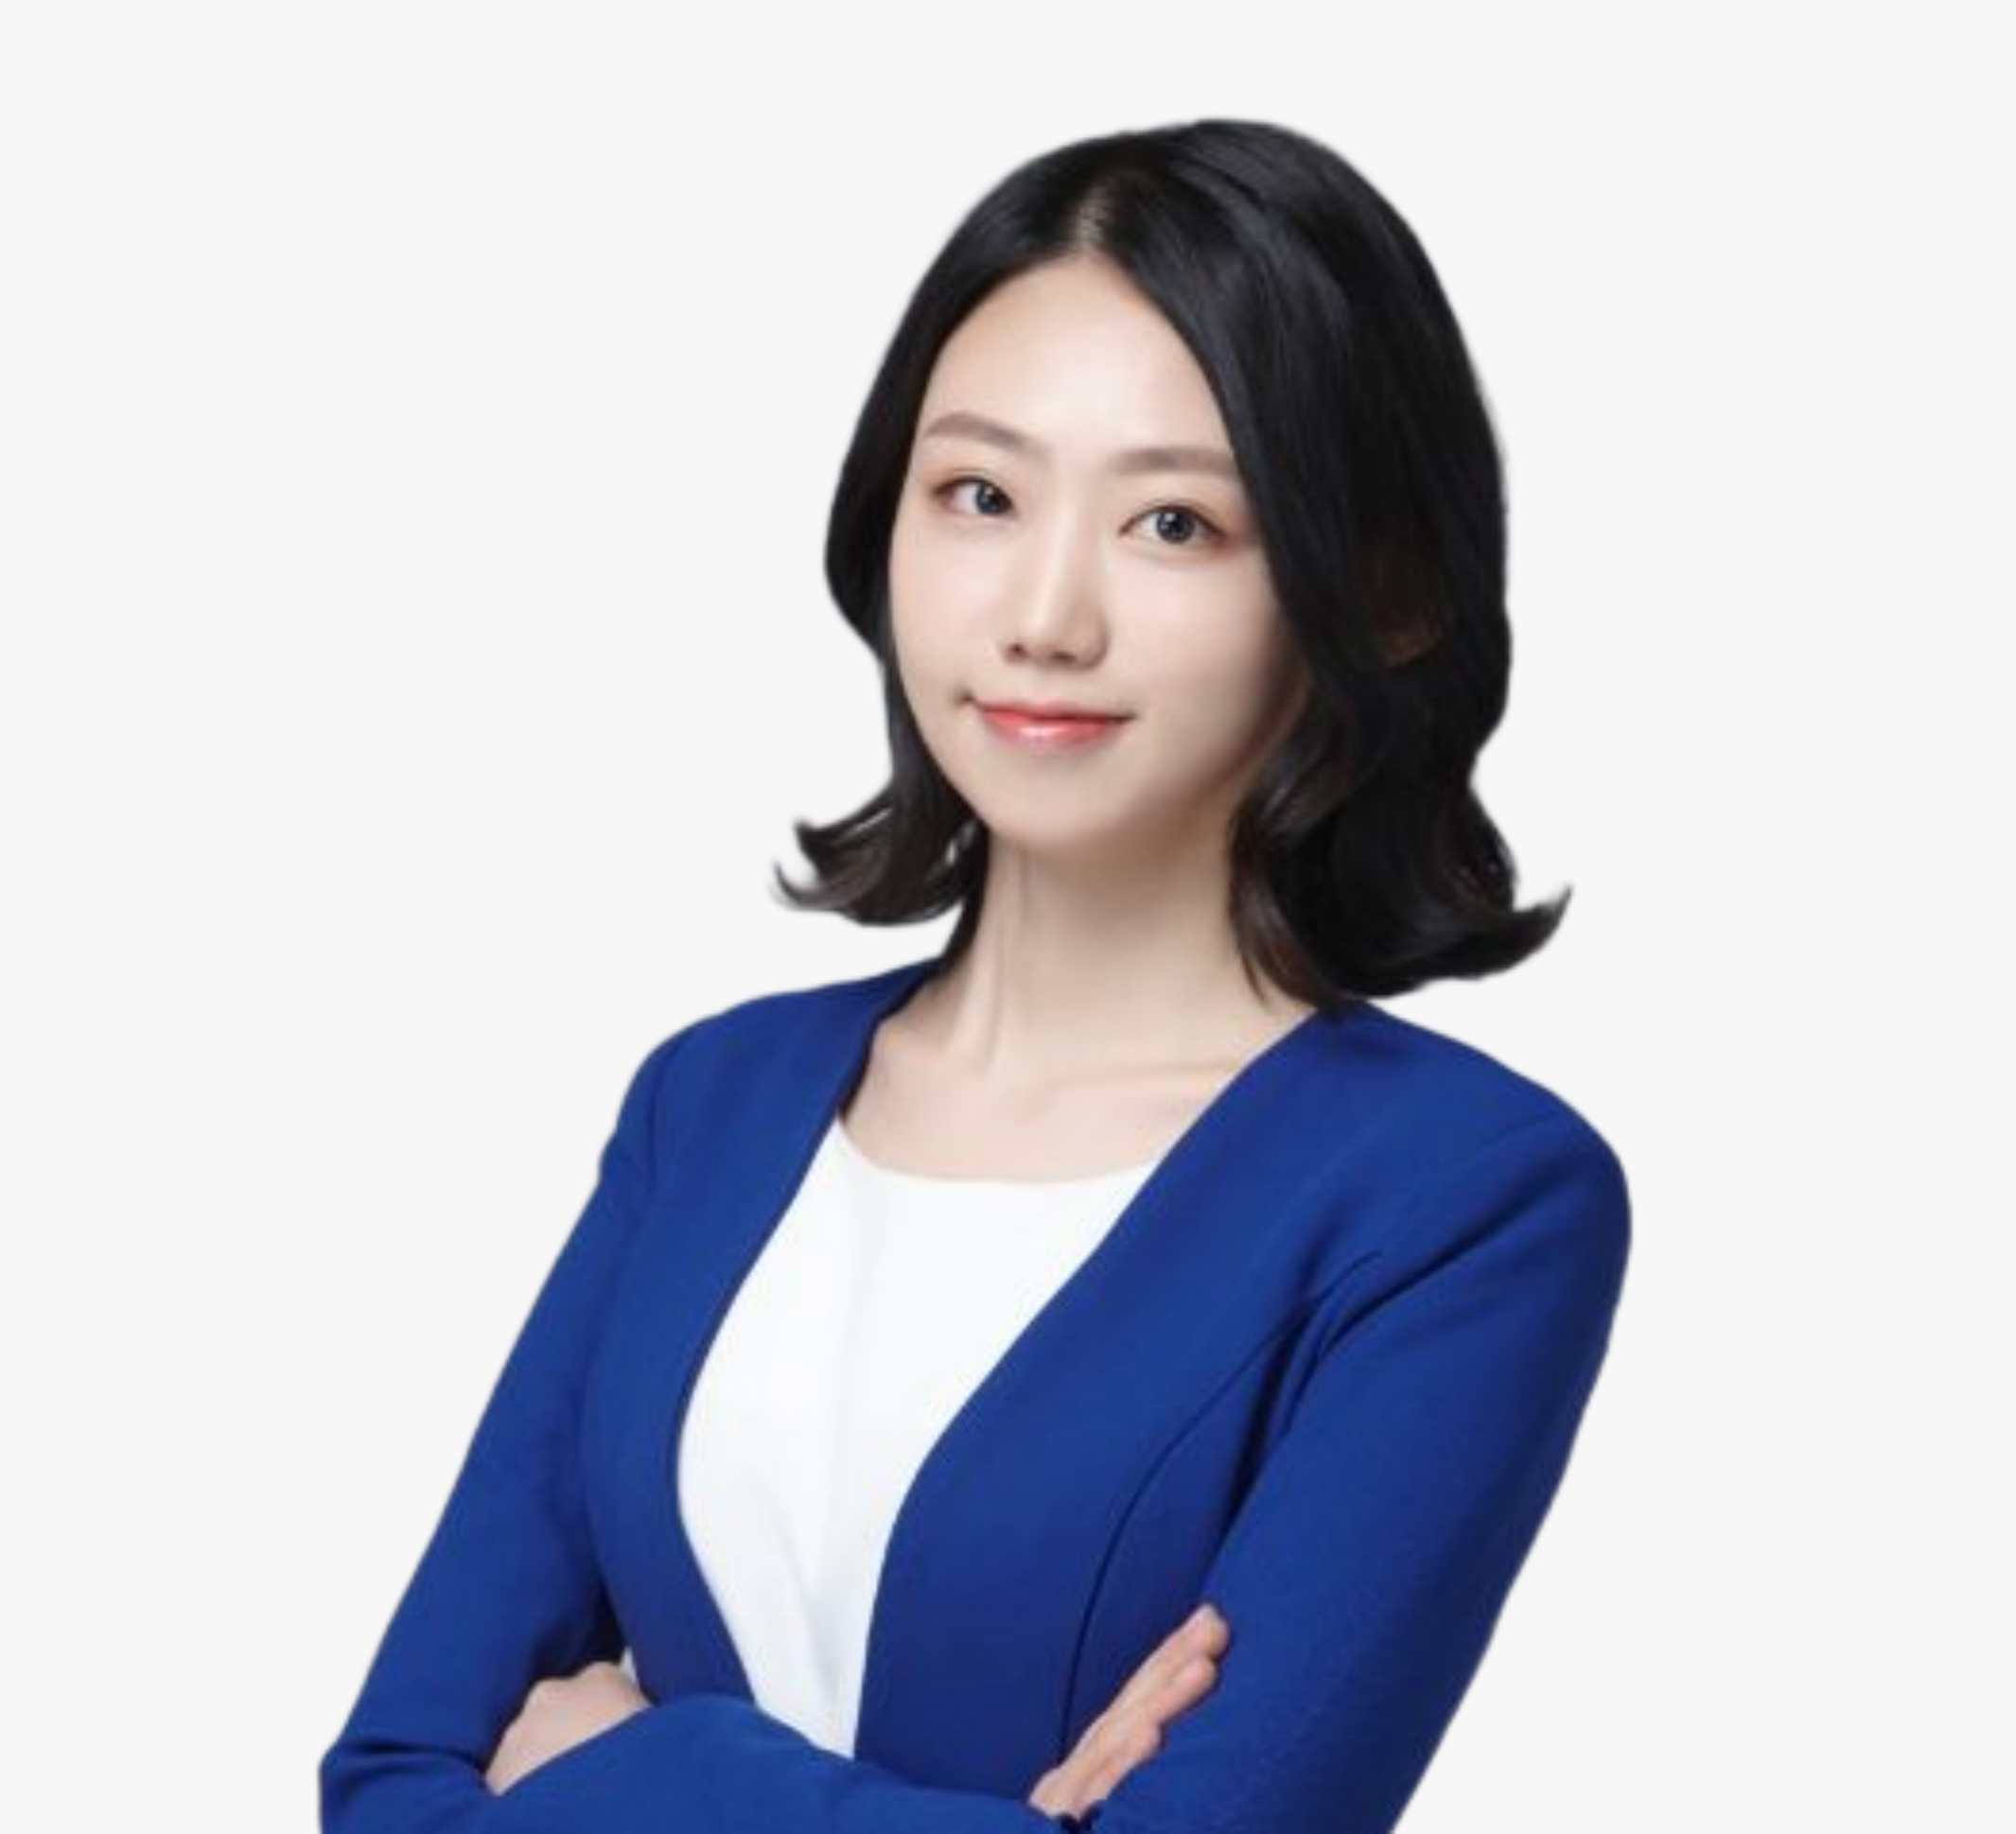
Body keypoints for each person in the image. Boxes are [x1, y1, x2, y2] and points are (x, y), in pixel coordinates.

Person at [319, 117, 1632, 1834]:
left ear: (1379, 597)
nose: (1044, 617)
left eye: (1175, 522)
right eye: (981, 496)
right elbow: (391, 1788)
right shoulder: (710, 1106)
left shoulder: (1465, 1202)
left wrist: (624, 1769)